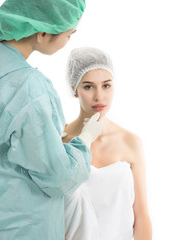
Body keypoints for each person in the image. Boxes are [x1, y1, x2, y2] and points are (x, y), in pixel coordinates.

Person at [0, 1, 103, 239]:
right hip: (22, 228)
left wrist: (40, 140)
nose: (68, 41)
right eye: (68, 35)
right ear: (42, 33)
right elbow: (59, 177)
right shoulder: (29, 89)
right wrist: (84, 140)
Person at [62, 47, 152, 240]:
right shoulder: (60, 140)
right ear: (74, 89)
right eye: (88, 86)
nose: (99, 96)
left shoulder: (130, 142)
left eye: (106, 85)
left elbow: (141, 215)